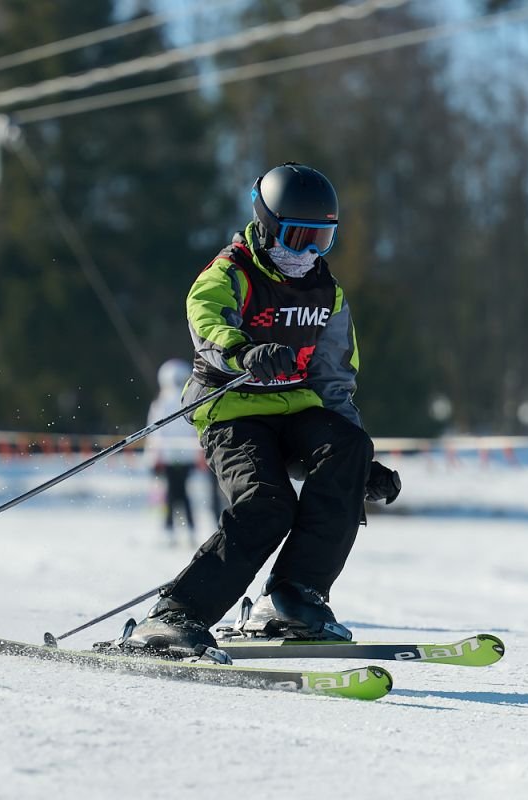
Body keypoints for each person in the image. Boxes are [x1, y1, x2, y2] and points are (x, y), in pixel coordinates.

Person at [123, 162, 401, 657]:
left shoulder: (327, 293)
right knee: (267, 505)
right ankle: (176, 615)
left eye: (322, 240)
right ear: (268, 226)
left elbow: (335, 381)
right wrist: (243, 351)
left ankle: (293, 597)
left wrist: (358, 467)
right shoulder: (229, 273)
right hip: (232, 411)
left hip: (296, 411)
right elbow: (207, 324)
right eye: (298, 238)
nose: (309, 253)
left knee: (349, 449)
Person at [144, 358, 200, 545]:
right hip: (181, 457)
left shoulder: (161, 402)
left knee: (172, 494)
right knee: (180, 494)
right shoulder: (187, 400)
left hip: (172, 457)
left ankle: (173, 530)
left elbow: (155, 432)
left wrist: (154, 456)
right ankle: (184, 529)